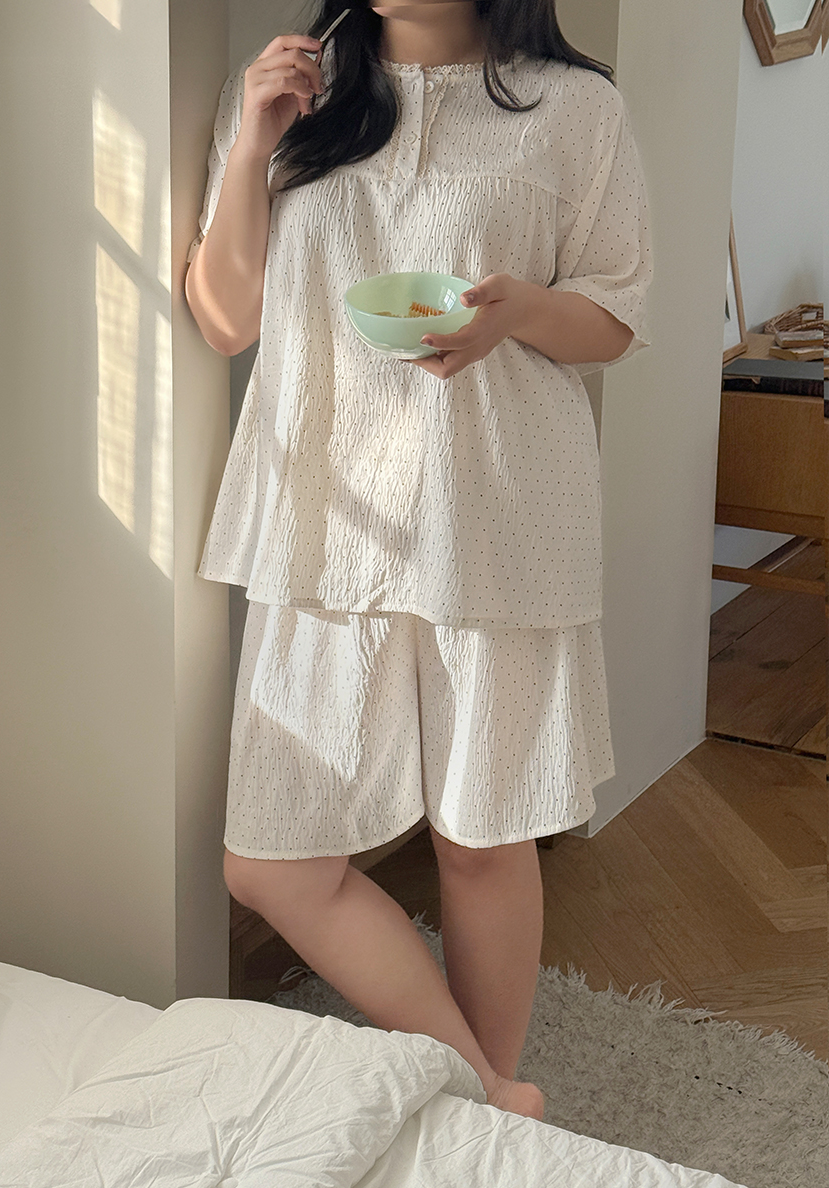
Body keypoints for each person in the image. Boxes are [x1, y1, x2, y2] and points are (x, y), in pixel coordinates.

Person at [185, 0, 652, 1119]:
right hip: (325, 519)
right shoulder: (289, 96)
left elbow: (614, 318)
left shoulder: (577, 108)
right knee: (273, 862)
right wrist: (251, 146)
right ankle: (493, 1095)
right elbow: (225, 320)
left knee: (484, 840)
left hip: (501, 514)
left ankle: (483, 1132)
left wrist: (519, 312)